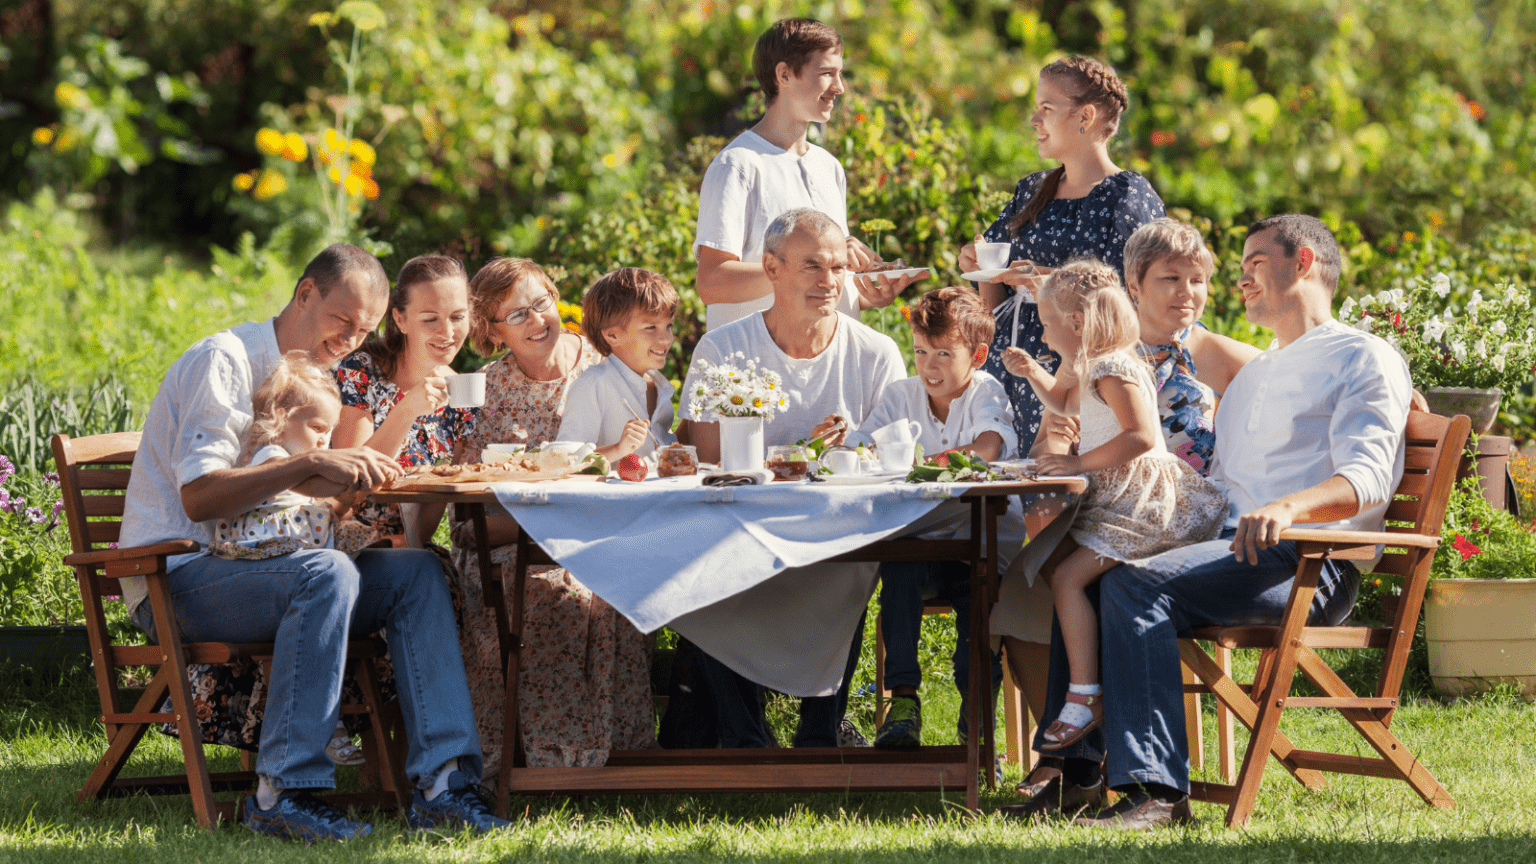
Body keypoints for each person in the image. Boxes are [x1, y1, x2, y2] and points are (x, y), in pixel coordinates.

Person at [1011, 215, 1411, 829]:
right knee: (1087, 572)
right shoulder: (1258, 371)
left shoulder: (1362, 355)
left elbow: (1368, 479)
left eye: (1253, 263)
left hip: (1305, 560)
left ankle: (1158, 795)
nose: (1240, 280)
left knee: (1132, 585)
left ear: (1301, 263)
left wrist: (1287, 508)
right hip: (1228, 546)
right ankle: (1078, 776)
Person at [119, 244, 506, 840]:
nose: (352, 339)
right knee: (327, 573)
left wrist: (355, 476)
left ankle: (445, 785)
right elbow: (199, 496)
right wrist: (316, 463)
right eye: (342, 321)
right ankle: (283, 794)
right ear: (305, 294)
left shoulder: (316, 377)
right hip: (179, 576)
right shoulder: (226, 360)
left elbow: (313, 507)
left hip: (275, 565)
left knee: (419, 575)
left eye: (365, 330)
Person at [957, 54, 1164, 793]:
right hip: (1023, 398)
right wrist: (985, 273)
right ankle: (1064, 753)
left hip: (1088, 410)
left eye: (1048, 107)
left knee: (1051, 572)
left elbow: (1125, 304)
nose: (1035, 119)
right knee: (1028, 577)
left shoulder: (1128, 197)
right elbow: (980, 266)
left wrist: (1044, 286)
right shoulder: (1029, 192)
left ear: (1088, 117)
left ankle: (1071, 756)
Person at [683, 207, 906, 747]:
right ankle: (744, 737)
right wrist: (794, 450)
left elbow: (896, 461)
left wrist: (846, 453)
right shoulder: (722, 349)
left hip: (839, 539)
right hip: (739, 532)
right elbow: (704, 464)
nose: (829, 282)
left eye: (836, 267)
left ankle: (820, 731)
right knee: (697, 571)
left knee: (853, 568)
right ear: (772, 268)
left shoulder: (876, 354)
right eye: (811, 266)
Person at [999, 259, 1226, 752]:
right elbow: (1063, 402)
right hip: (1118, 500)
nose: (1041, 329)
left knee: (1065, 577)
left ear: (1076, 324)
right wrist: (1033, 371)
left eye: (1045, 320)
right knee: (1051, 569)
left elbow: (1142, 436)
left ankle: (1085, 697)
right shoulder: (1094, 363)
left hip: (1144, 506)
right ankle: (1080, 703)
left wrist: (1078, 464)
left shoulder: (1113, 366)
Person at [452, 257, 654, 770]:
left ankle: (617, 754)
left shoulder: (609, 365)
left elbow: (650, 456)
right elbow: (467, 506)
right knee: (540, 588)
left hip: (604, 535)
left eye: (541, 303)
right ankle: (534, 758)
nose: (538, 320)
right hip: (508, 538)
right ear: (491, 331)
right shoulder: (485, 391)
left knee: (610, 582)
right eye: (516, 316)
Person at [856, 286, 1015, 749]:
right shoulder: (901, 395)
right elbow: (864, 446)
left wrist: (913, 464)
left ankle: (977, 726)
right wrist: (845, 444)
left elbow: (986, 449)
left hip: (981, 549)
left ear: (978, 355)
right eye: (922, 351)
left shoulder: (987, 391)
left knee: (976, 636)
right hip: (921, 544)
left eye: (945, 353)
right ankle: (903, 702)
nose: (929, 365)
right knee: (899, 570)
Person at [694, 17, 921, 333]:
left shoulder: (829, 167)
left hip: (827, 366)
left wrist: (867, 290)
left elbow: (821, 288)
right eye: (827, 73)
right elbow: (713, 282)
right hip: (760, 372)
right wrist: (808, 266)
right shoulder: (737, 165)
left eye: (839, 74)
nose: (839, 87)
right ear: (784, 74)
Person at [331, 254, 476, 546]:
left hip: (406, 546)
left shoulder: (461, 397)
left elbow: (431, 514)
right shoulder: (361, 369)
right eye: (430, 319)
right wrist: (407, 409)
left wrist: (400, 547)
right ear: (401, 319)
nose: (447, 332)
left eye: (457, 317)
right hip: (343, 538)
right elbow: (351, 486)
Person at [1121, 219, 1261, 475]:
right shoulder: (1102, 352)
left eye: (1197, 280)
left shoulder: (1224, 355)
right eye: (1171, 277)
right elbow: (1051, 439)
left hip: (1195, 509)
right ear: (1133, 285)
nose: (1186, 291)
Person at [556, 268, 679, 461]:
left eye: (668, 326)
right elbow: (564, 459)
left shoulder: (658, 384)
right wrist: (618, 449)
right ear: (612, 335)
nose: (665, 339)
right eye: (650, 328)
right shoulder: (594, 384)